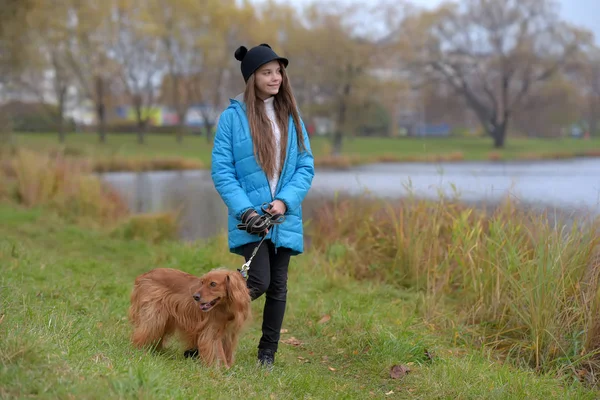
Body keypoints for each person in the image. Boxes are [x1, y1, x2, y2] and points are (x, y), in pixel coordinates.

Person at [210, 43, 315, 368]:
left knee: (279, 285)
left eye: (278, 72)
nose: (275, 78)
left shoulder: (291, 116)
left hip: (283, 215)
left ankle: (266, 354)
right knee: (258, 281)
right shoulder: (232, 118)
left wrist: (284, 202)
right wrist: (246, 211)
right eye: (267, 72)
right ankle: (206, 329)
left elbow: (306, 165)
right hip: (250, 218)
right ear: (251, 77)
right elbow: (222, 171)